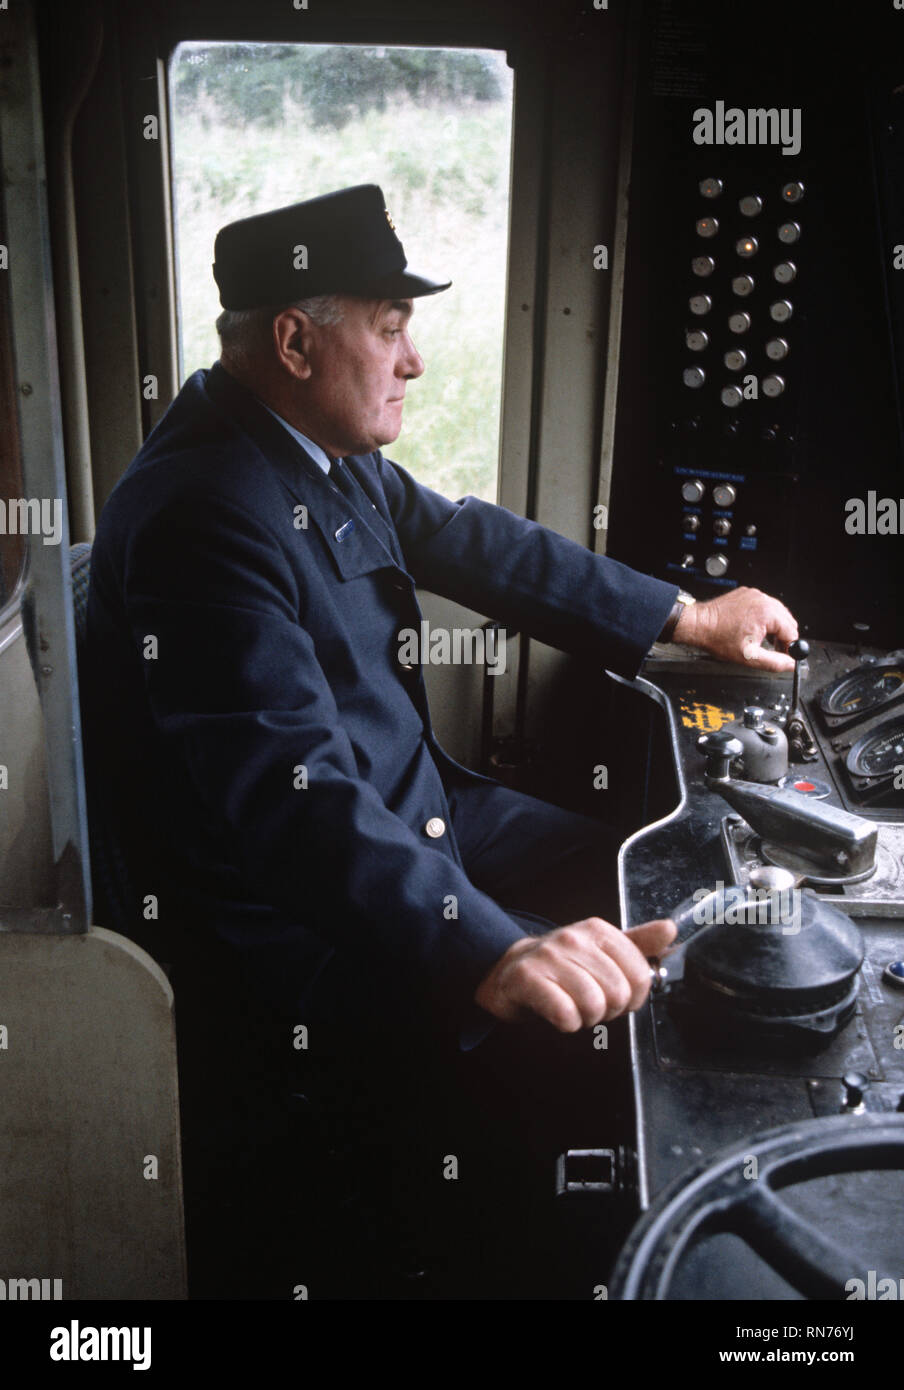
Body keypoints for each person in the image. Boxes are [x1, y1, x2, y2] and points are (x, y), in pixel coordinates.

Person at [81, 183, 799, 1295]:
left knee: (654, 867)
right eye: (389, 325)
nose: (412, 360)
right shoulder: (203, 511)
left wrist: (681, 613)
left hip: (425, 815)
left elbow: (468, 538)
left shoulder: (306, 438)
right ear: (294, 338)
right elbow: (294, 799)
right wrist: (489, 949)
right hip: (301, 916)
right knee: (603, 1024)